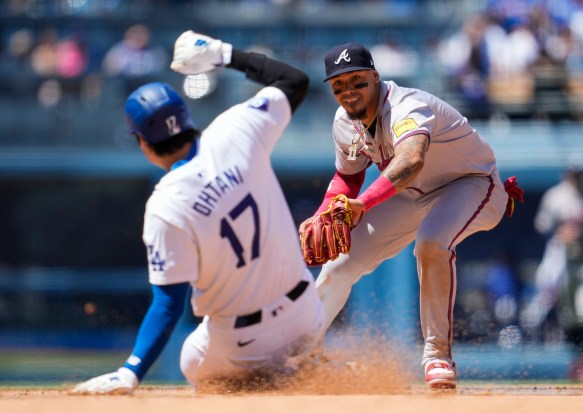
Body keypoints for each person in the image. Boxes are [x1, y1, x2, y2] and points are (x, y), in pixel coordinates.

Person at [72, 30, 325, 395]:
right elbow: (295, 80)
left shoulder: (165, 203)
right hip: (307, 314)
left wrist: (132, 371)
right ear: (186, 117)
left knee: (192, 360)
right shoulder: (235, 128)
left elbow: (168, 302)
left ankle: (275, 380)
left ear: (142, 141)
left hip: (242, 342)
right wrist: (222, 54)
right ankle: (301, 366)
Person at [299, 42, 522, 390]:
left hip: (472, 184)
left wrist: (365, 203)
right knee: (339, 265)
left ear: (375, 77)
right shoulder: (344, 122)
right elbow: (348, 176)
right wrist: (325, 210)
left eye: (357, 81)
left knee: (431, 243)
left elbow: (411, 160)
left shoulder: (407, 105)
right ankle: (302, 356)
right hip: (412, 194)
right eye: (338, 85)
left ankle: (438, 357)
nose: (348, 91)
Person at [523, 164, 583, 381]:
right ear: (566, 175)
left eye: (580, 173)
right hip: (565, 259)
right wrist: (561, 232)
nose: (577, 178)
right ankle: (578, 359)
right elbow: (542, 228)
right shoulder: (555, 196)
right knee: (569, 315)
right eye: (573, 174)